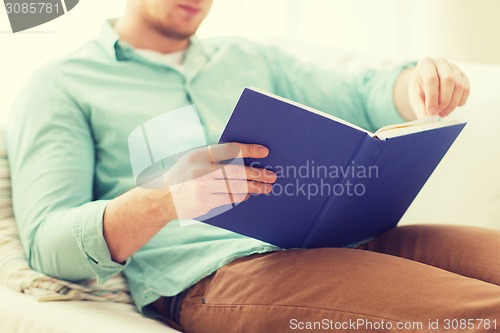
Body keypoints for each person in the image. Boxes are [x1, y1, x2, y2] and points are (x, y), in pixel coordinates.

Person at [5, 0, 500, 332]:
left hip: (348, 237)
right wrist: (163, 202)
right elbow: (49, 243)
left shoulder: (251, 57)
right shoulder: (60, 84)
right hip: (219, 273)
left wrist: (418, 82)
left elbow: (365, 91)